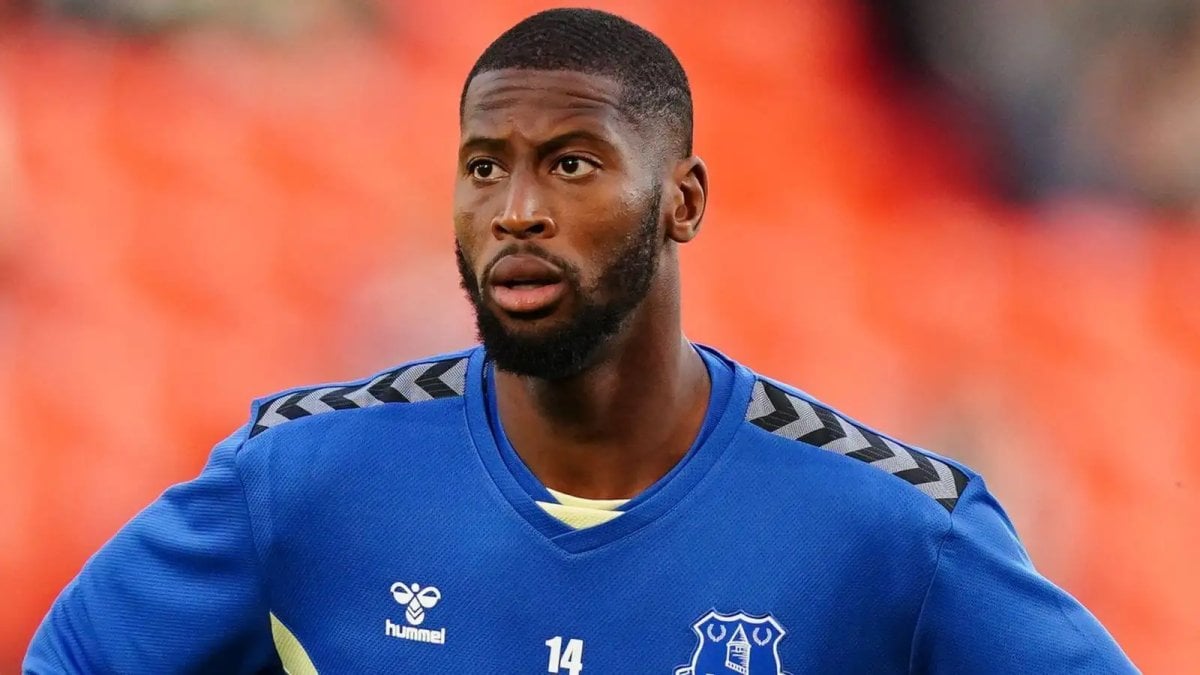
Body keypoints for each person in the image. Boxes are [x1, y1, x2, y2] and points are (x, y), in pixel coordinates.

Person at [25, 8, 1135, 674]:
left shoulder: (891, 525)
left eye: (573, 166)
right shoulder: (298, 478)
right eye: (484, 168)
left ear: (681, 202)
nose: (518, 212)